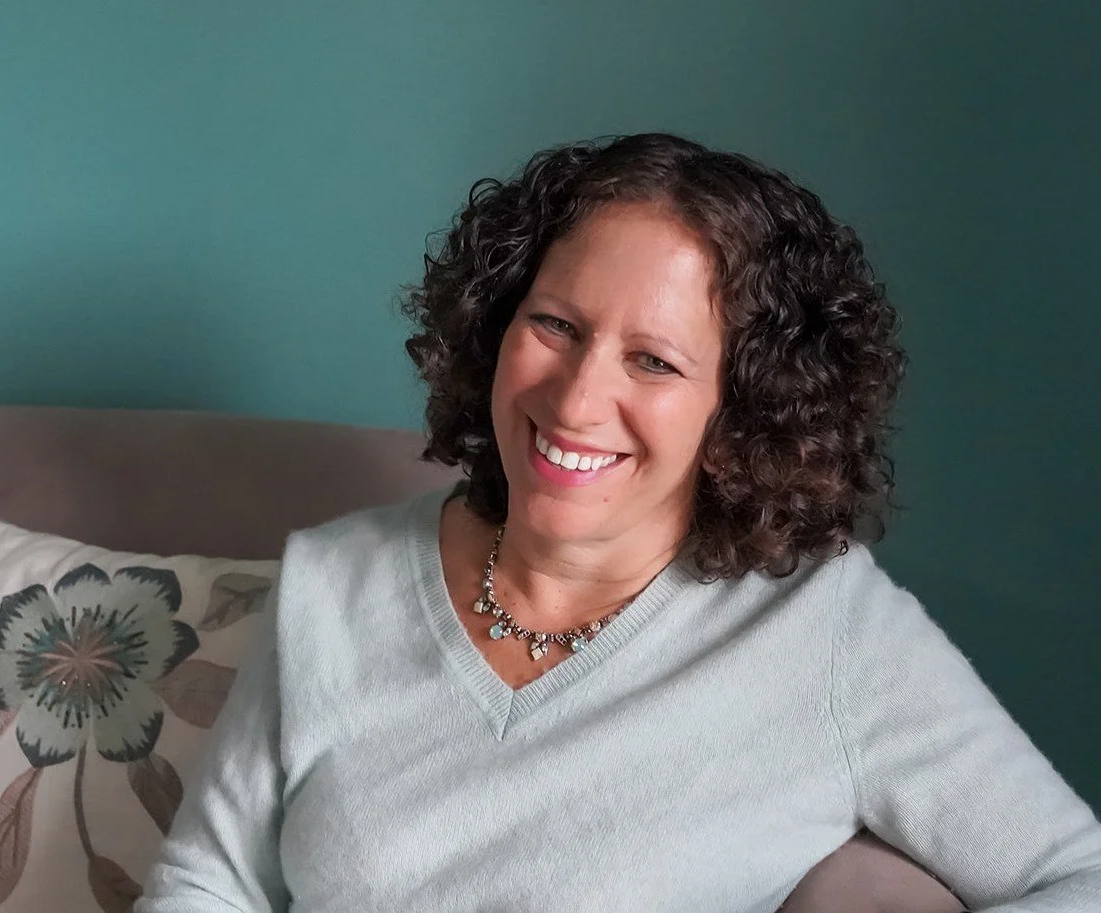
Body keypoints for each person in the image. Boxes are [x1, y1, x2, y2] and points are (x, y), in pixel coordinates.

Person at [137, 133, 1101, 912]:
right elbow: (206, 880)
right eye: (556, 323)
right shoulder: (331, 581)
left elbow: (1075, 876)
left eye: (655, 361)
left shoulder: (827, 631)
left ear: (742, 412)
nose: (577, 397)